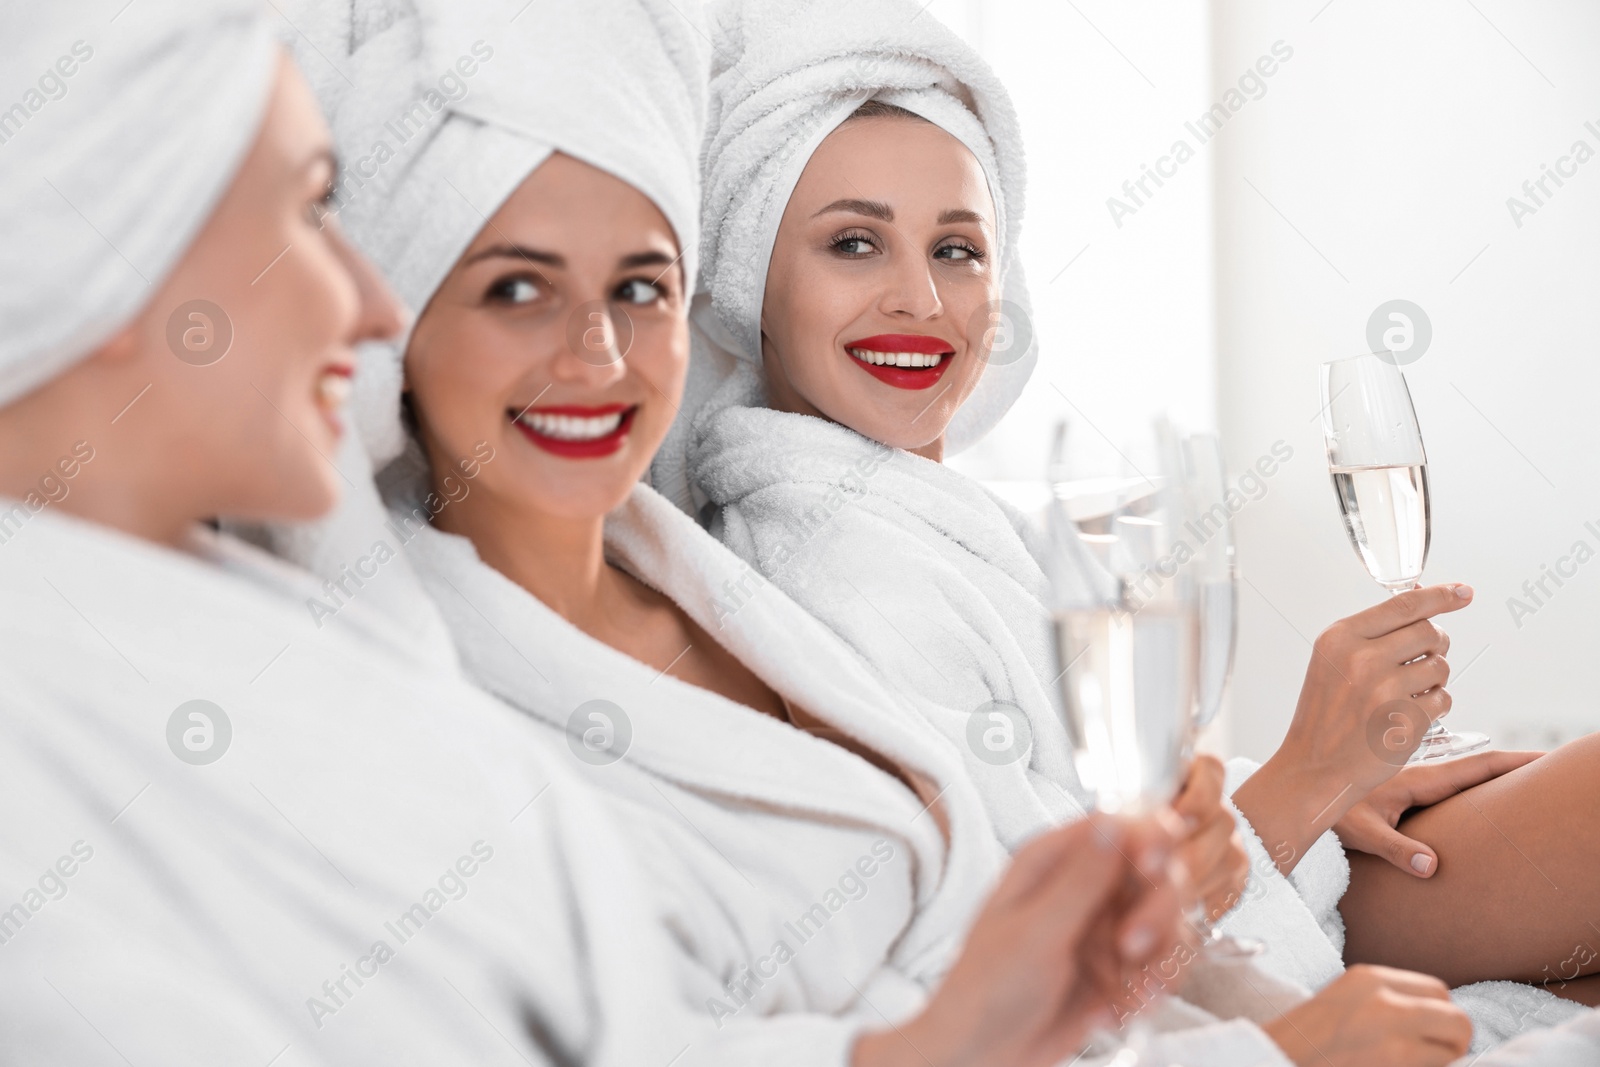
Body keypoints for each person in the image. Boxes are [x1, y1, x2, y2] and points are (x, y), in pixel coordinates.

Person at [253, 2, 1210, 1065]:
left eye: (640, 285)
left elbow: (1002, 933)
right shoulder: (415, 703)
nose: (598, 352)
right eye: (516, 288)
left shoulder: (703, 581)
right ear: (400, 317)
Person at [664, 0, 1593, 1056]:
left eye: (957, 249)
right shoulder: (822, 569)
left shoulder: (931, 523)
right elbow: (1050, 963)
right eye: (853, 242)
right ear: (750, 280)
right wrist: (1305, 776)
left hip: (1284, 886)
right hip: (1247, 937)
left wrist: (1299, 786)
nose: (918, 296)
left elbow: (1080, 811)